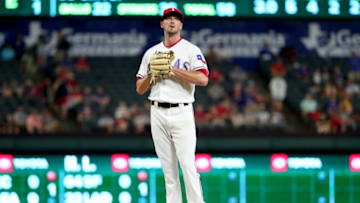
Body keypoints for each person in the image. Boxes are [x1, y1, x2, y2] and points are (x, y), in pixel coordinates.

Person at [136, 8, 208, 203]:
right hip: (157, 111)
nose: (172, 21)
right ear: (162, 24)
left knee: (188, 166)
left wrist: (173, 70)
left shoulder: (191, 50)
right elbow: (140, 88)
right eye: (168, 18)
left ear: (181, 25)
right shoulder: (151, 53)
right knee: (169, 171)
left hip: (182, 111)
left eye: (176, 19)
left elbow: (202, 78)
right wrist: (153, 74)